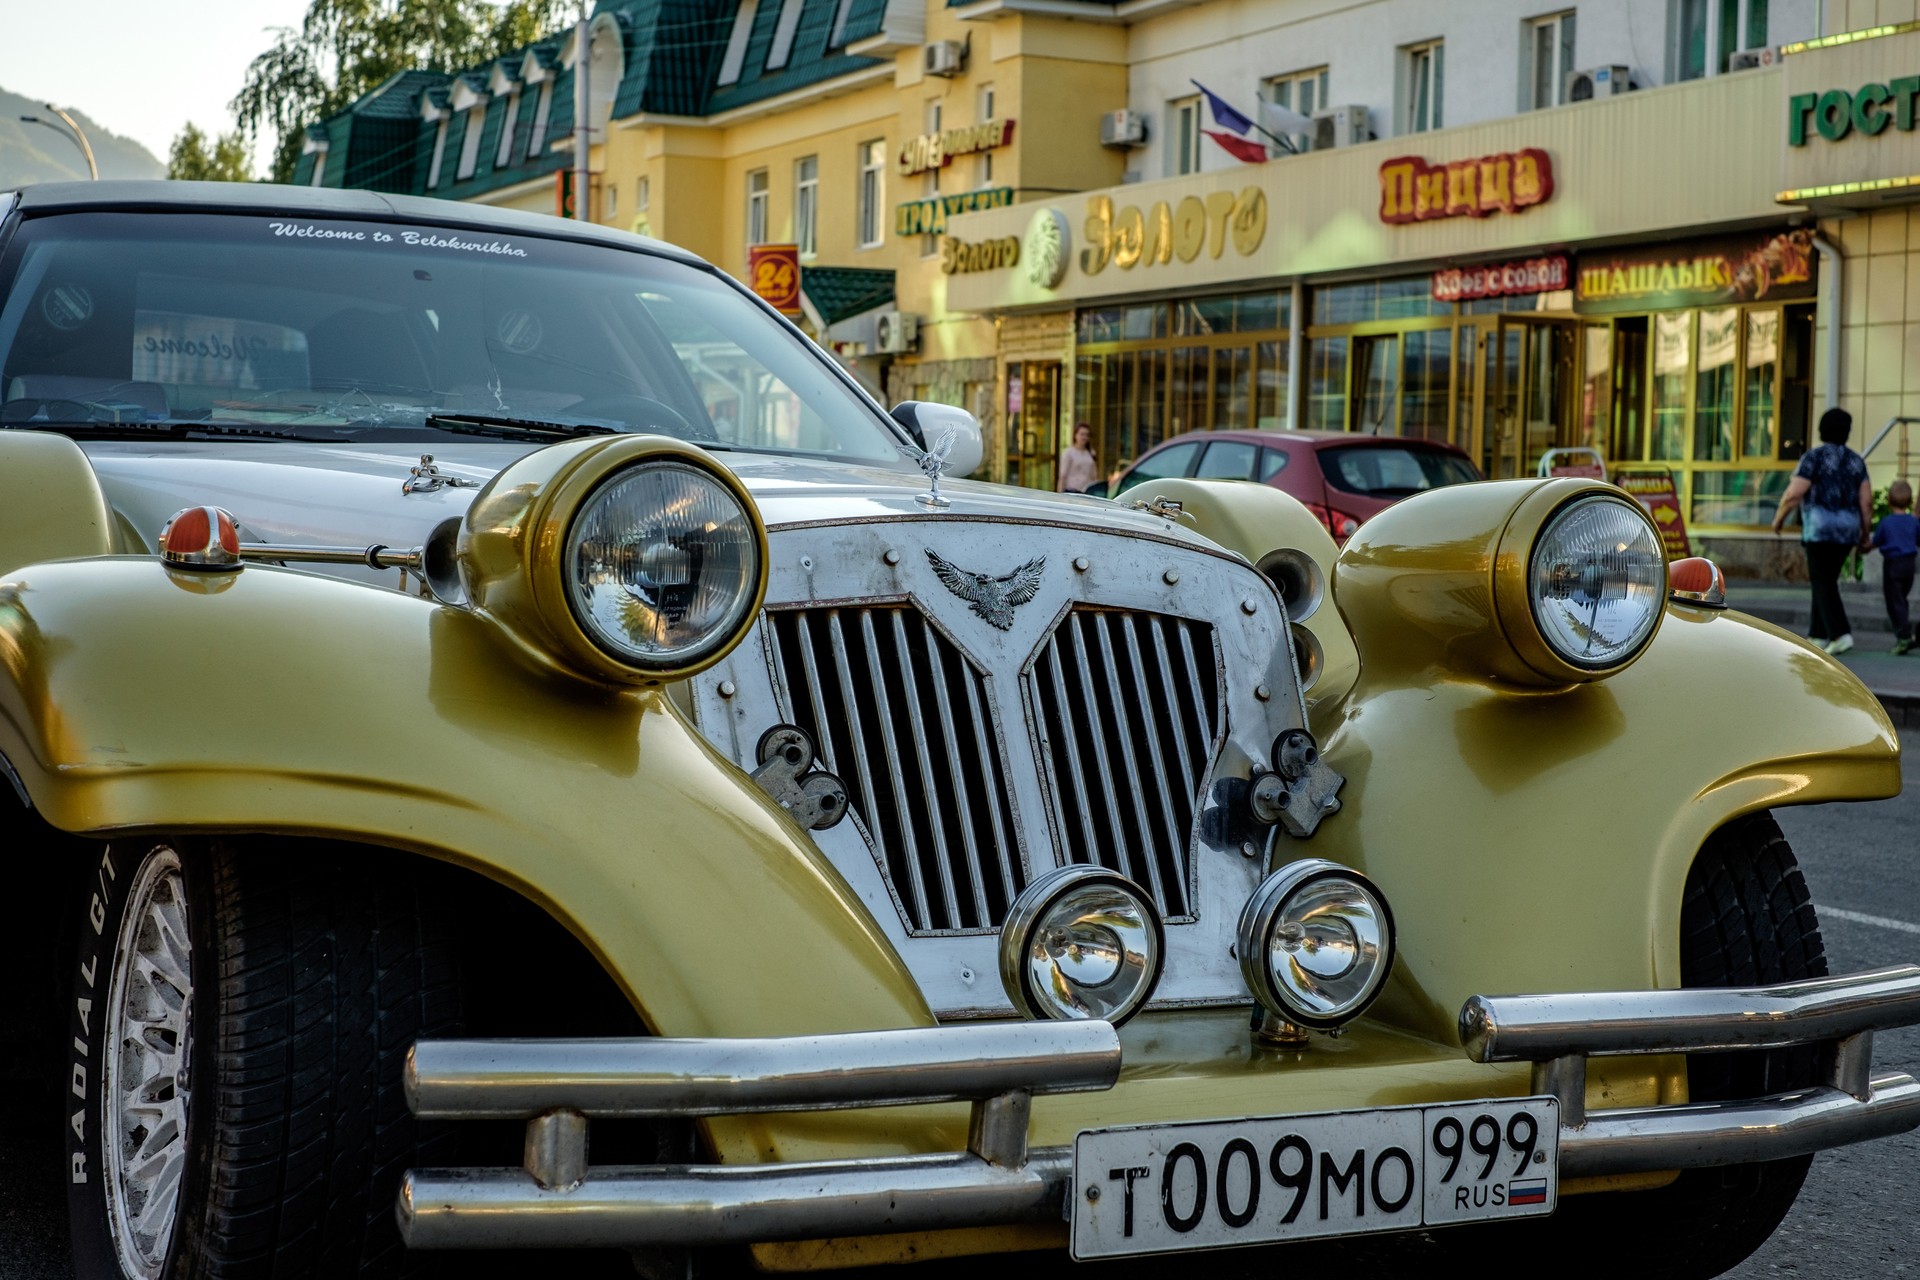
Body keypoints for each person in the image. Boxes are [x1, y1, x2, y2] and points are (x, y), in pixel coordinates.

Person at [1771, 406, 1874, 655]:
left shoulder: (1813, 457)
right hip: (1846, 531)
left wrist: (1779, 519)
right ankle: (1816, 635)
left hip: (1819, 528)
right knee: (1825, 580)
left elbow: (1794, 493)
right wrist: (1864, 533)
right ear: (1847, 432)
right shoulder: (1855, 461)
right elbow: (1866, 501)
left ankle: (1840, 634)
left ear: (1822, 429)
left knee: (1823, 581)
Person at [1869, 479, 1918, 655]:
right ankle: (1904, 633)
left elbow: (1876, 542)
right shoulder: (1913, 522)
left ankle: (1904, 636)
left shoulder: (1886, 522)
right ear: (1910, 501)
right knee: (1902, 598)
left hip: (1892, 564)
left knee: (1894, 600)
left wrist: (1864, 546)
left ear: (1888, 500)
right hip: (1909, 564)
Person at [1057, 422, 1097, 494]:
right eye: (1082, 434)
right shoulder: (1068, 453)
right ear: (1075, 435)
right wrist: (1059, 494)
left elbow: (1094, 475)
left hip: (1087, 492)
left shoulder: (1091, 452)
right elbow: (1063, 476)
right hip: (1072, 492)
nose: (1084, 437)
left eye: (1086, 435)